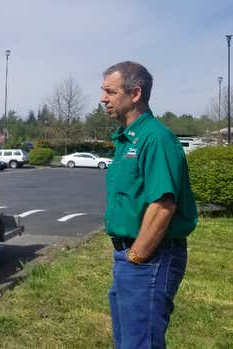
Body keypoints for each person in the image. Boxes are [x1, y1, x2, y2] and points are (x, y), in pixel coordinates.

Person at [100, 61, 198, 348]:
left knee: (139, 343)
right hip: (129, 258)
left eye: (110, 91)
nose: (103, 98)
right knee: (128, 340)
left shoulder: (155, 138)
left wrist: (137, 256)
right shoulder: (127, 138)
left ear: (135, 94)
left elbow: (163, 205)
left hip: (150, 258)